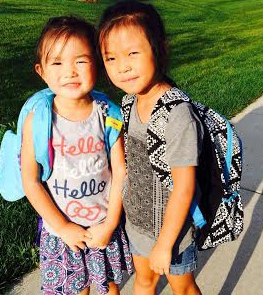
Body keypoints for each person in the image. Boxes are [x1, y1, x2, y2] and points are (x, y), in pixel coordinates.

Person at [20, 16, 134, 295]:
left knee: (108, 287)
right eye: (57, 63)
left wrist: (109, 224)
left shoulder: (108, 115)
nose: (69, 71)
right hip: (61, 231)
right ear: (41, 70)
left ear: (96, 63)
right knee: (75, 290)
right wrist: (63, 227)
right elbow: (30, 181)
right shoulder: (38, 120)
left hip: (102, 225)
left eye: (80, 61)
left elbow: (121, 171)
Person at [98, 1, 203, 295]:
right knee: (144, 281)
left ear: (158, 48)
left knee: (182, 287)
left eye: (133, 53)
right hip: (138, 223)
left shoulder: (176, 113)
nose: (123, 67)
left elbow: (184, 188)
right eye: (111, 58)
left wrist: (165, 244)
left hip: (172, 231)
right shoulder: (129, 101)